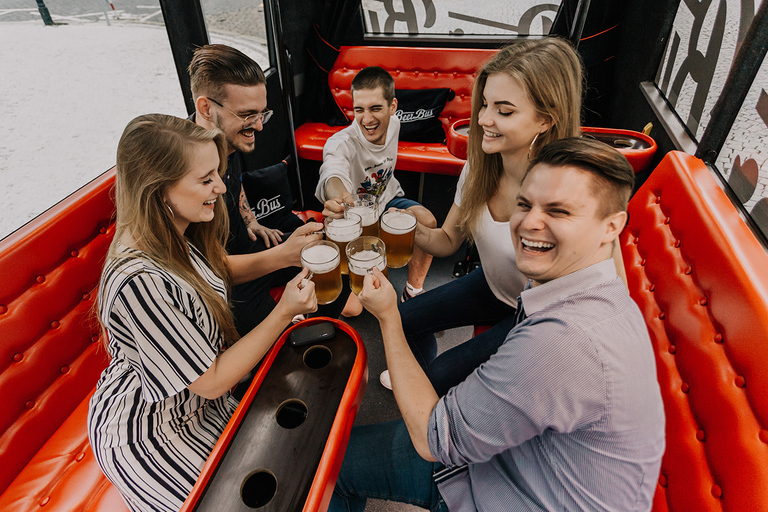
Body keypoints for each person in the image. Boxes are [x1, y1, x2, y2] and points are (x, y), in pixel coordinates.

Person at [330, 137, 665, 512]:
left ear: (611, 227)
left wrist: (389, 316)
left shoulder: (561, 343)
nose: (529, 222)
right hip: (523, 461)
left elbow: (431, 439)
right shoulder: (601, 296)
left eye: (559, 211)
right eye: (524, 204)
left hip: (502, 491)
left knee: (330, 469)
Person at [87, 114, 317, 512]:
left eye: (218, 173)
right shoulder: (138, 281)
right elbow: (209, 381)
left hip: (198, 406)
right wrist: (282, 313)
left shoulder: (167, 231)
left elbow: (212, 271)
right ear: (160, 189)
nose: (221, 187)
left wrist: (283, 255)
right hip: (149, 432)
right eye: (206, 178)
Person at [386, 37, 626, 393]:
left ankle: (435, 416)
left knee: (441, 378)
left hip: (538, 315)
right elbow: (447, 241)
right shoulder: (479, 169)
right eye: (484, 104)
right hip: (495, 287)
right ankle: (418, 388)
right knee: (400, 319)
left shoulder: (576, 196)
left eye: (504, 110)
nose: (483, 120)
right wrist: (395, 224)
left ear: (545, 119)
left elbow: (612, 293)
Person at [188, 44, 328, 334]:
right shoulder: (181, 170)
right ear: (205, 107)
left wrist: (251, 220)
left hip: (250, 250)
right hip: (223, 287)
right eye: (247, 114)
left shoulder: (225, 140)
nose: (260, 126)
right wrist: (284, 255)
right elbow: (204, 271)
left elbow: (236, 184)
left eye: (262, 113)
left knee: (327, 259)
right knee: (289, 348)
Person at [316, 66, 437, 314]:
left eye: (375, 108)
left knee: (428, 221)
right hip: (356, 216)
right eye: (359, 109)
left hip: (388, 199)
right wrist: (341, 198)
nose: (367, 119)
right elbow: (332, 173)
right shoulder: (341, 143)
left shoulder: (394, 124)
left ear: (393, 107)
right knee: (355, 309)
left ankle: (413, 291)